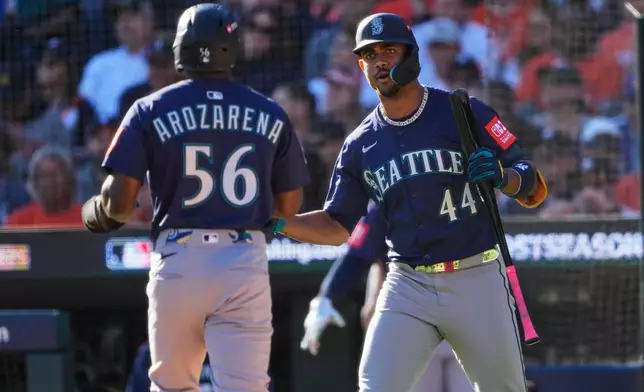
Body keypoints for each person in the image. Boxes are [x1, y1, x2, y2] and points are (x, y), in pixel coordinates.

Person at [273, 13, 547, 392]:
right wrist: (276, 219)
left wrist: (505, 177)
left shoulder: (461, 110)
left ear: (413, 57)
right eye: (370, 54)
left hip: (476, 275)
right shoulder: (359, 145)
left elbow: (532, 182)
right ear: (361, 66)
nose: (380, 61)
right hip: (408, 284)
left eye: (389, 50)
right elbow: (337, 227)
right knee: (375, 386)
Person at [81, 3, 309, 392]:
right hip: (244, 259)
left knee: (172, 387)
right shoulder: (270, 112)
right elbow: (289, 208)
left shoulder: (149, 108)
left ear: (180, 49)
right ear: (232, 48)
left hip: (180, 257)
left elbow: (119, 205)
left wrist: (98, 212)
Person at [300, 202, 474, 392]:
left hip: (466, 318)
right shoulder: (391, 193)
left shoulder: (469, 187)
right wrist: (327, 297)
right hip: (417, 319)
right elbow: (357, 256)